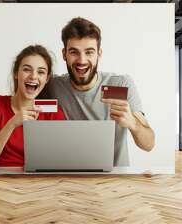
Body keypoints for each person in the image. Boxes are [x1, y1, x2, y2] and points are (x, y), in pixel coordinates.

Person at [48, 17, 155, 166]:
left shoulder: (119, 85)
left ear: (99, 54)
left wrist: (132, 123)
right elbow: (30, 106)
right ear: (64, 54)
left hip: (114, 180)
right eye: (74, 52)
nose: (82, 60)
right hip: (70, 177)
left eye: (89, 52)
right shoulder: (53, 86)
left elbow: (148, 144)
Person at [0, 45, 65, 168]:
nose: (33, 76)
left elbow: (60, 159)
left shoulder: (52, 111)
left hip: (37, 182)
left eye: (41, 72)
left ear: (46, 79)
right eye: (27, 69)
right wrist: (12, 124)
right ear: (16, 73)